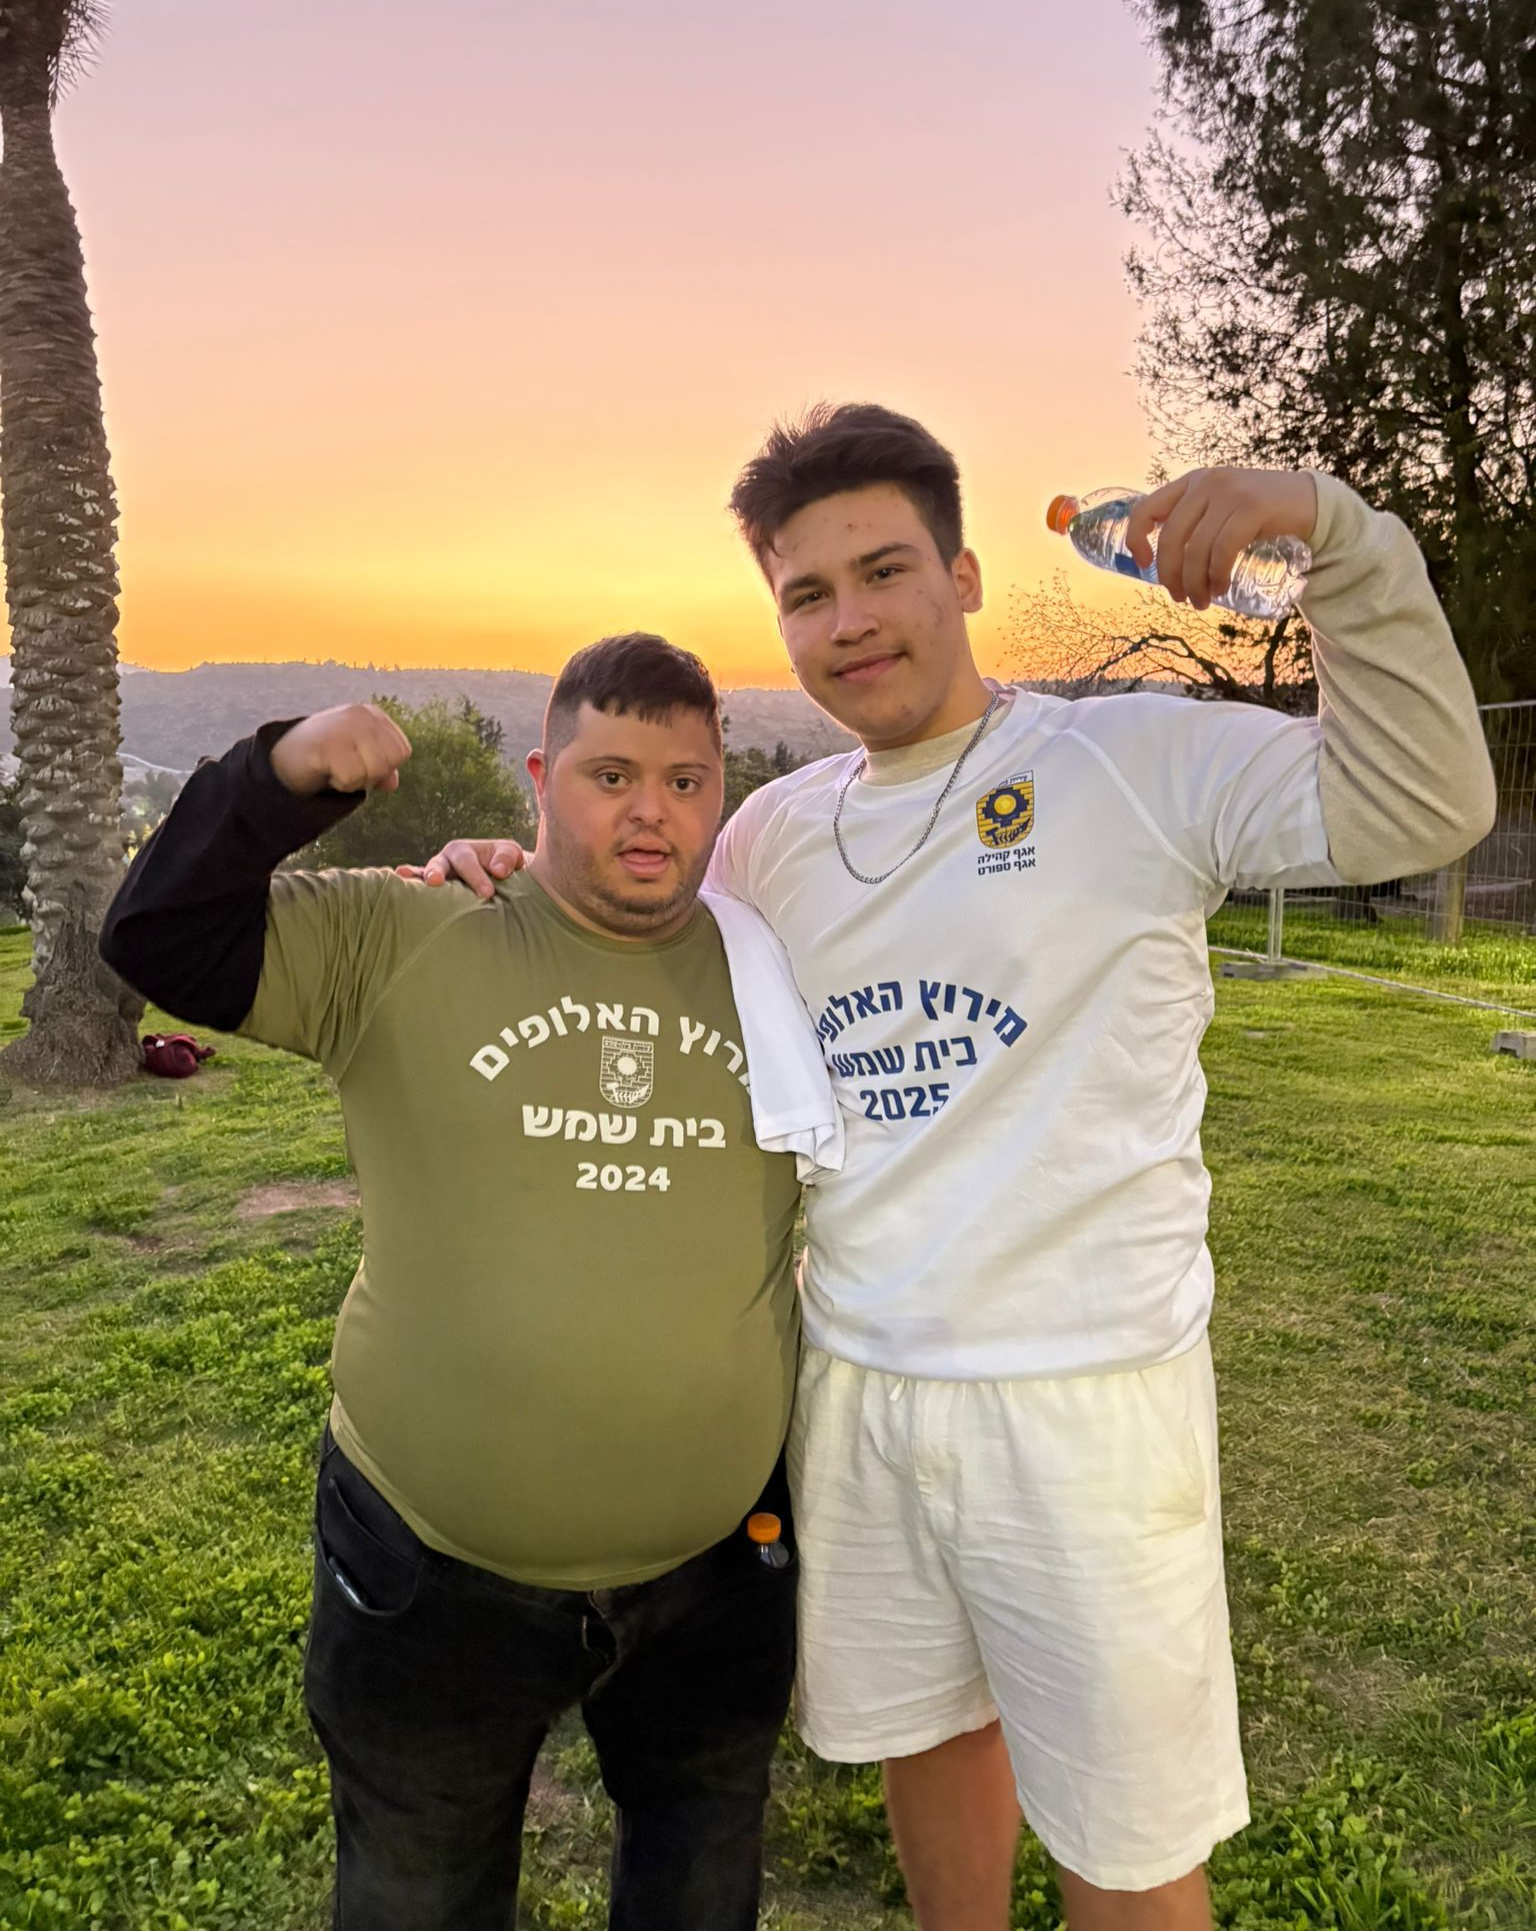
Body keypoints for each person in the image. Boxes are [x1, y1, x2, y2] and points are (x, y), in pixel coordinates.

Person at [418, 406, 1496, 1931]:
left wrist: (1340, 535)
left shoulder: (1130, 762)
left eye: (884, 572)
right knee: (929, 1738)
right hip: (857, 1384)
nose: (849, 621)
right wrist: (500, 875)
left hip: (1083, 1402)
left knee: (1126, 1840)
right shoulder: (774, 835)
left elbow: (1428, 803)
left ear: (966, 576)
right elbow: (628, 915)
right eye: (807, 593)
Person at [98, 632, 841, 1931]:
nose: (652, 813)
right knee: (417, 1896)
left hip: (716, 1577)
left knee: (699, 1880)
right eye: (611, 776)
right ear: (542, 780)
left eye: (685, 781)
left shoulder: (771, 967)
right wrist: (278, 775)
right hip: (432, 1581)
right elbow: (161, 934)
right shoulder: (407, 931)